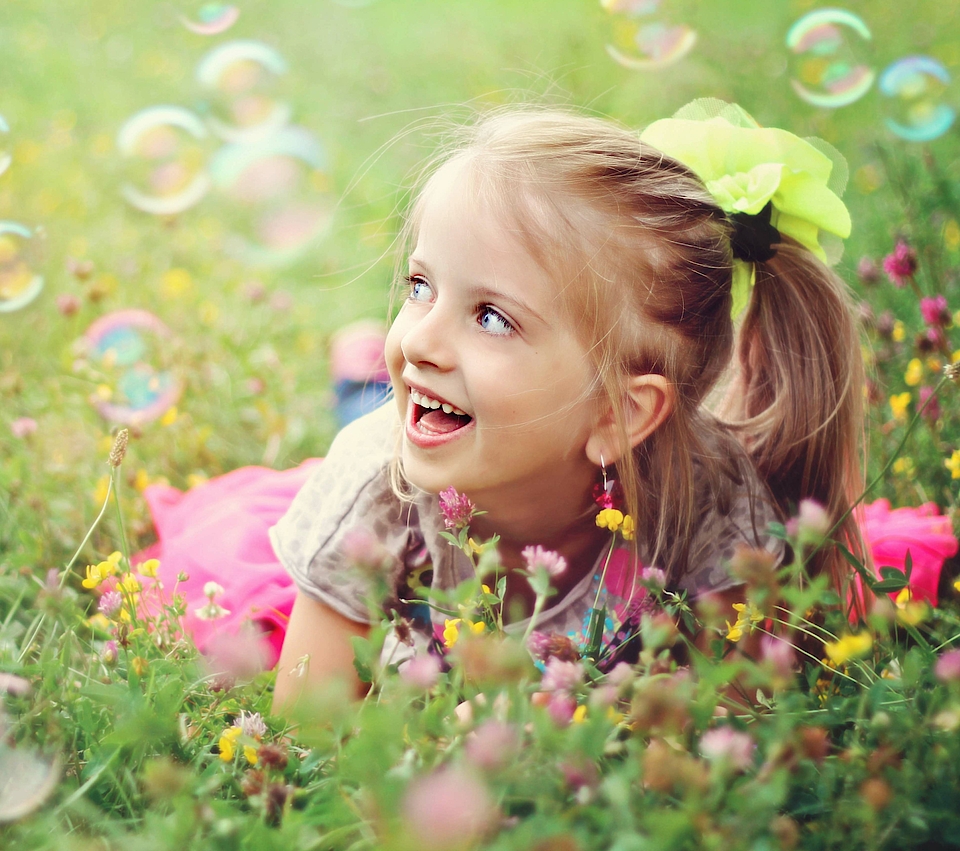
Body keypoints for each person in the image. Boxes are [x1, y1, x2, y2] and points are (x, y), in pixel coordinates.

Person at [135, 101, 956, 709]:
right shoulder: (372, 489)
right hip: (408, 436)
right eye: (419, 286)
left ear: (620, 415)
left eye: (491, 316)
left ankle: (359, 374)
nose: (421, 335)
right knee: (367, 415)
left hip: (471, 432)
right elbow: (305, 734)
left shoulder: (714, 517)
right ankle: (357, 377)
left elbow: (715, 743)